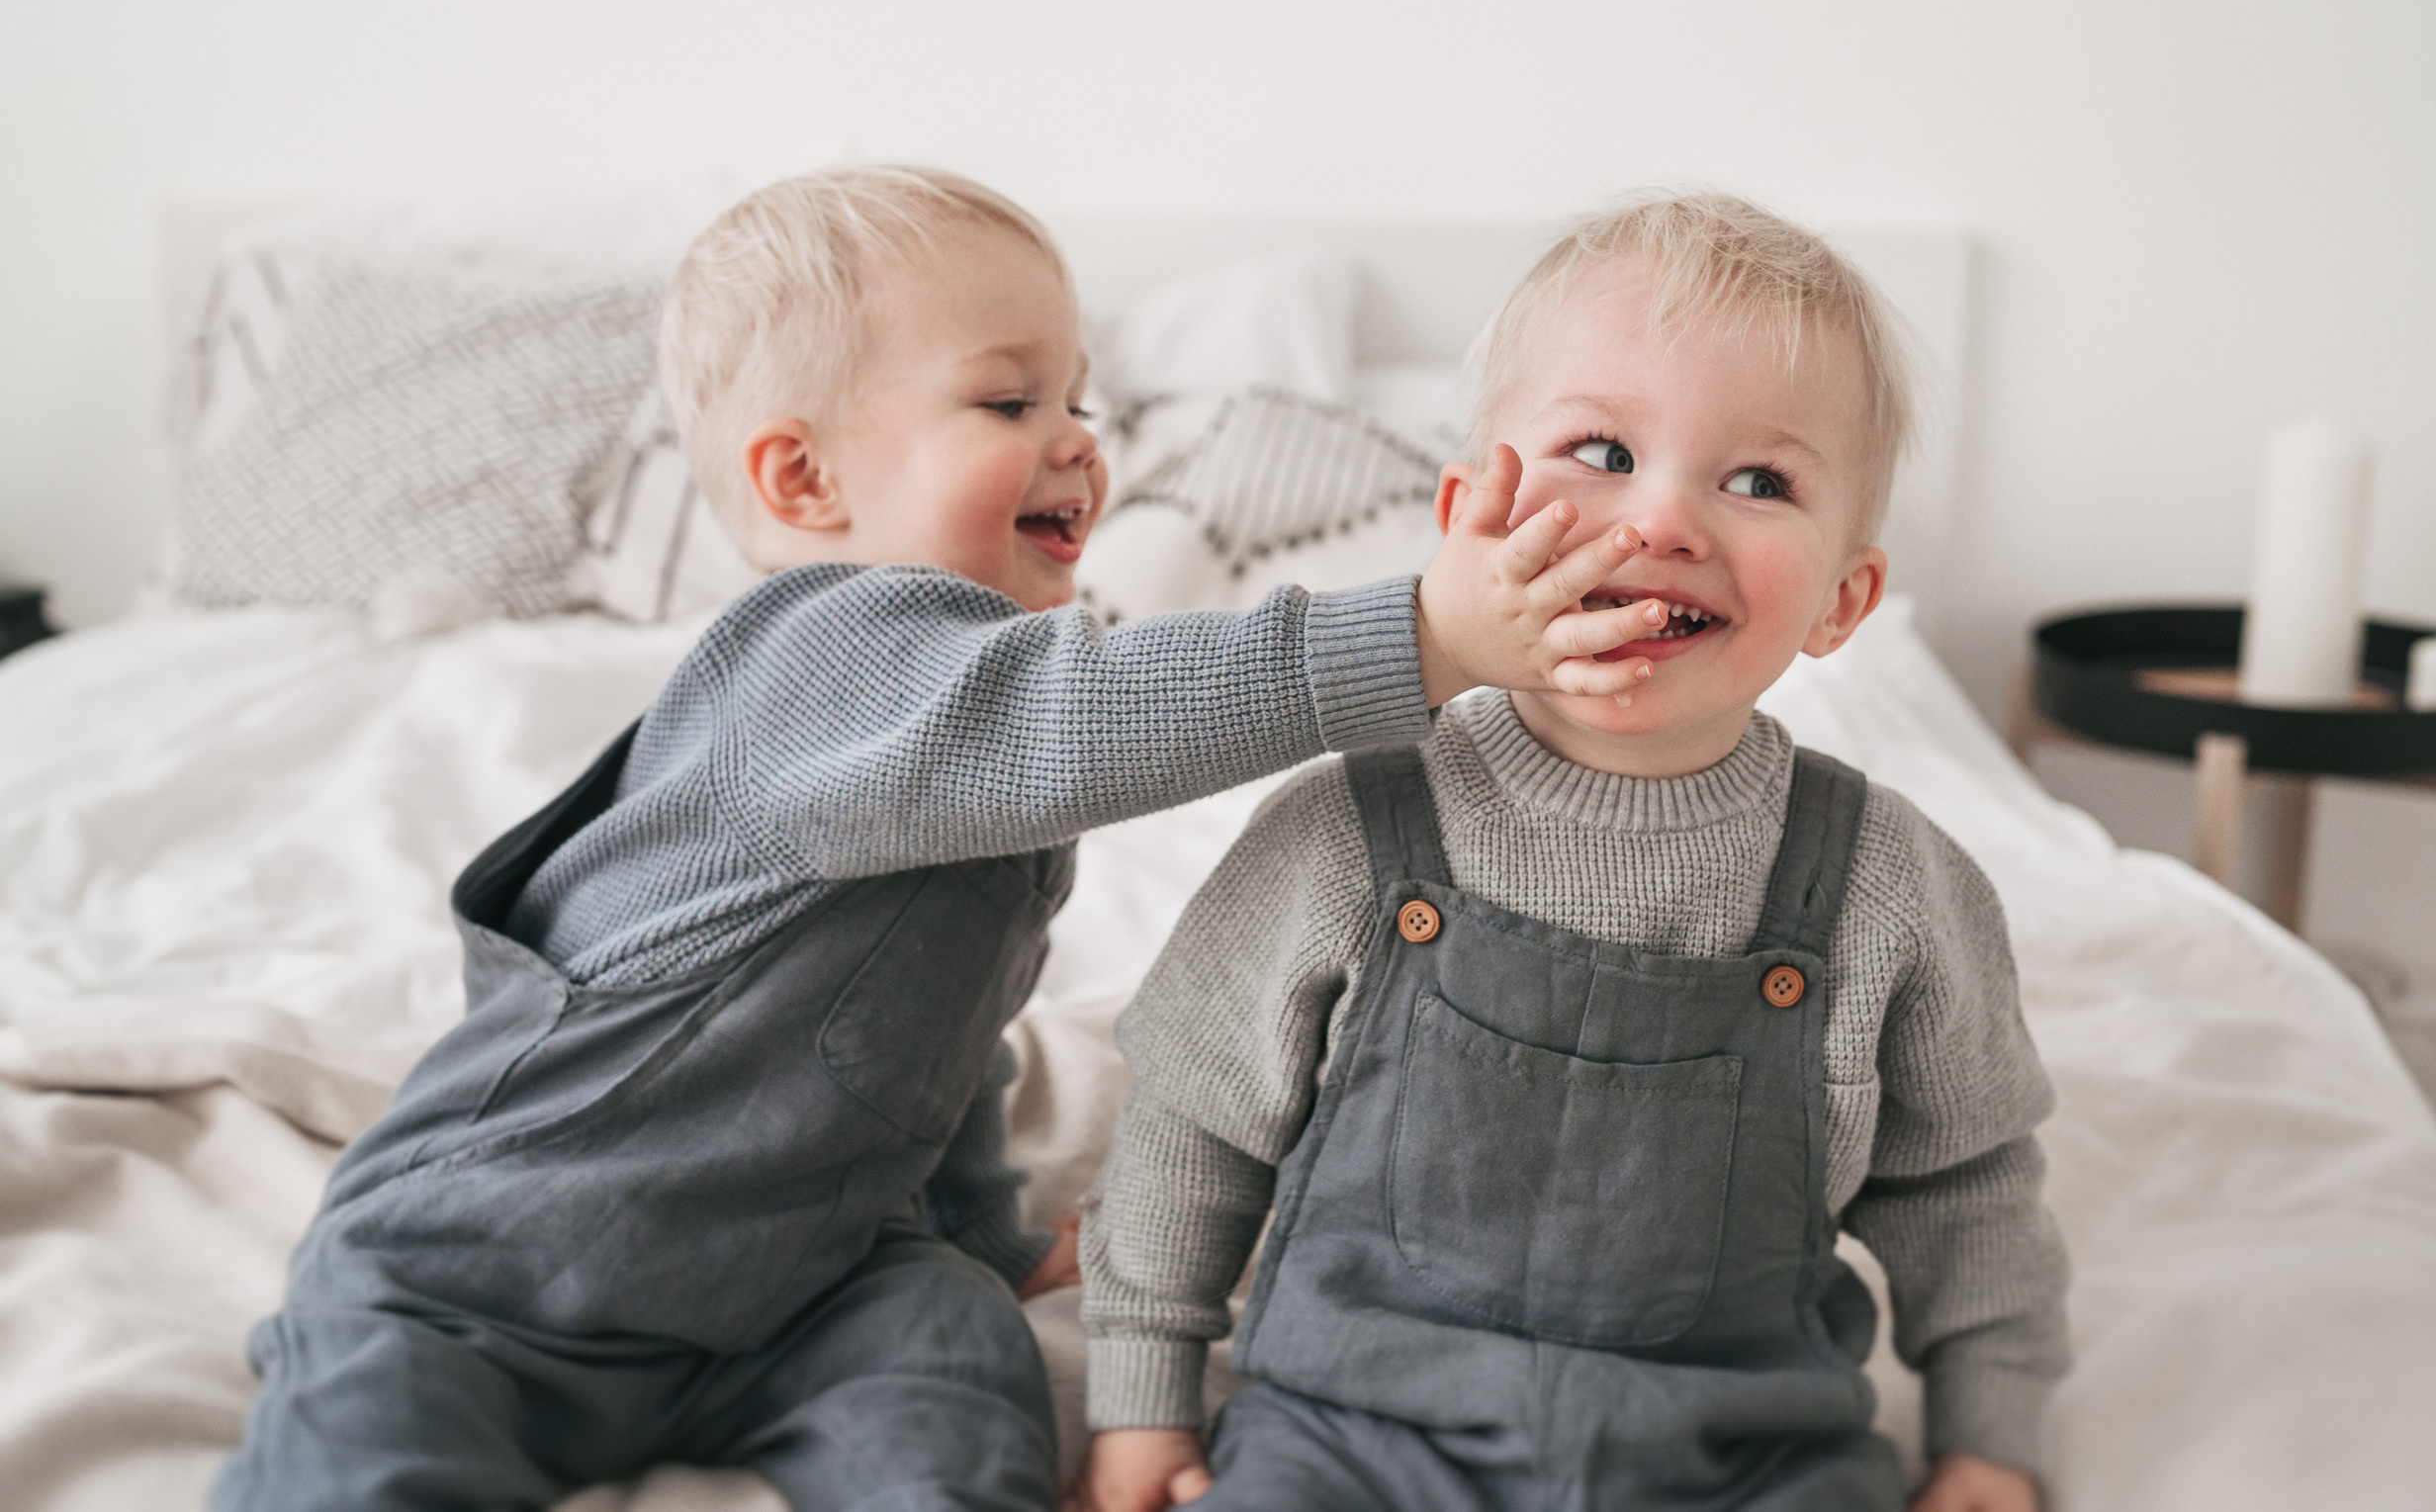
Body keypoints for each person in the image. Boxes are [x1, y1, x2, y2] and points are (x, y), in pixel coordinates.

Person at [211, 165, 1674, 1512]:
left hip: (794, 1284)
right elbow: (1096, 708)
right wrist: (1421, 634)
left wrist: (981, 1234)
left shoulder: (970, 747)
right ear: (804, 481)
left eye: (1081, 404)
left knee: (949, 1357)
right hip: (499, 1258)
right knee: (369, 1447)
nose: (1078, 444)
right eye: (1009, 402)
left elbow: (924, 1039)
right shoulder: (825, 657)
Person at [1074, 192, 2071, 1512]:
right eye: (1602, 450)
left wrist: (1989, 1436)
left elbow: (1969, 1188)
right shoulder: (1344, 835)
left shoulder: (1888, 888)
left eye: (1759, 482)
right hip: (1356, 1435)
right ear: (1469, 519)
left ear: (1844, 600)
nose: (1661, 522)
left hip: (1741, 1451)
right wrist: (1141, 1398)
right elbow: (1190, 1129)